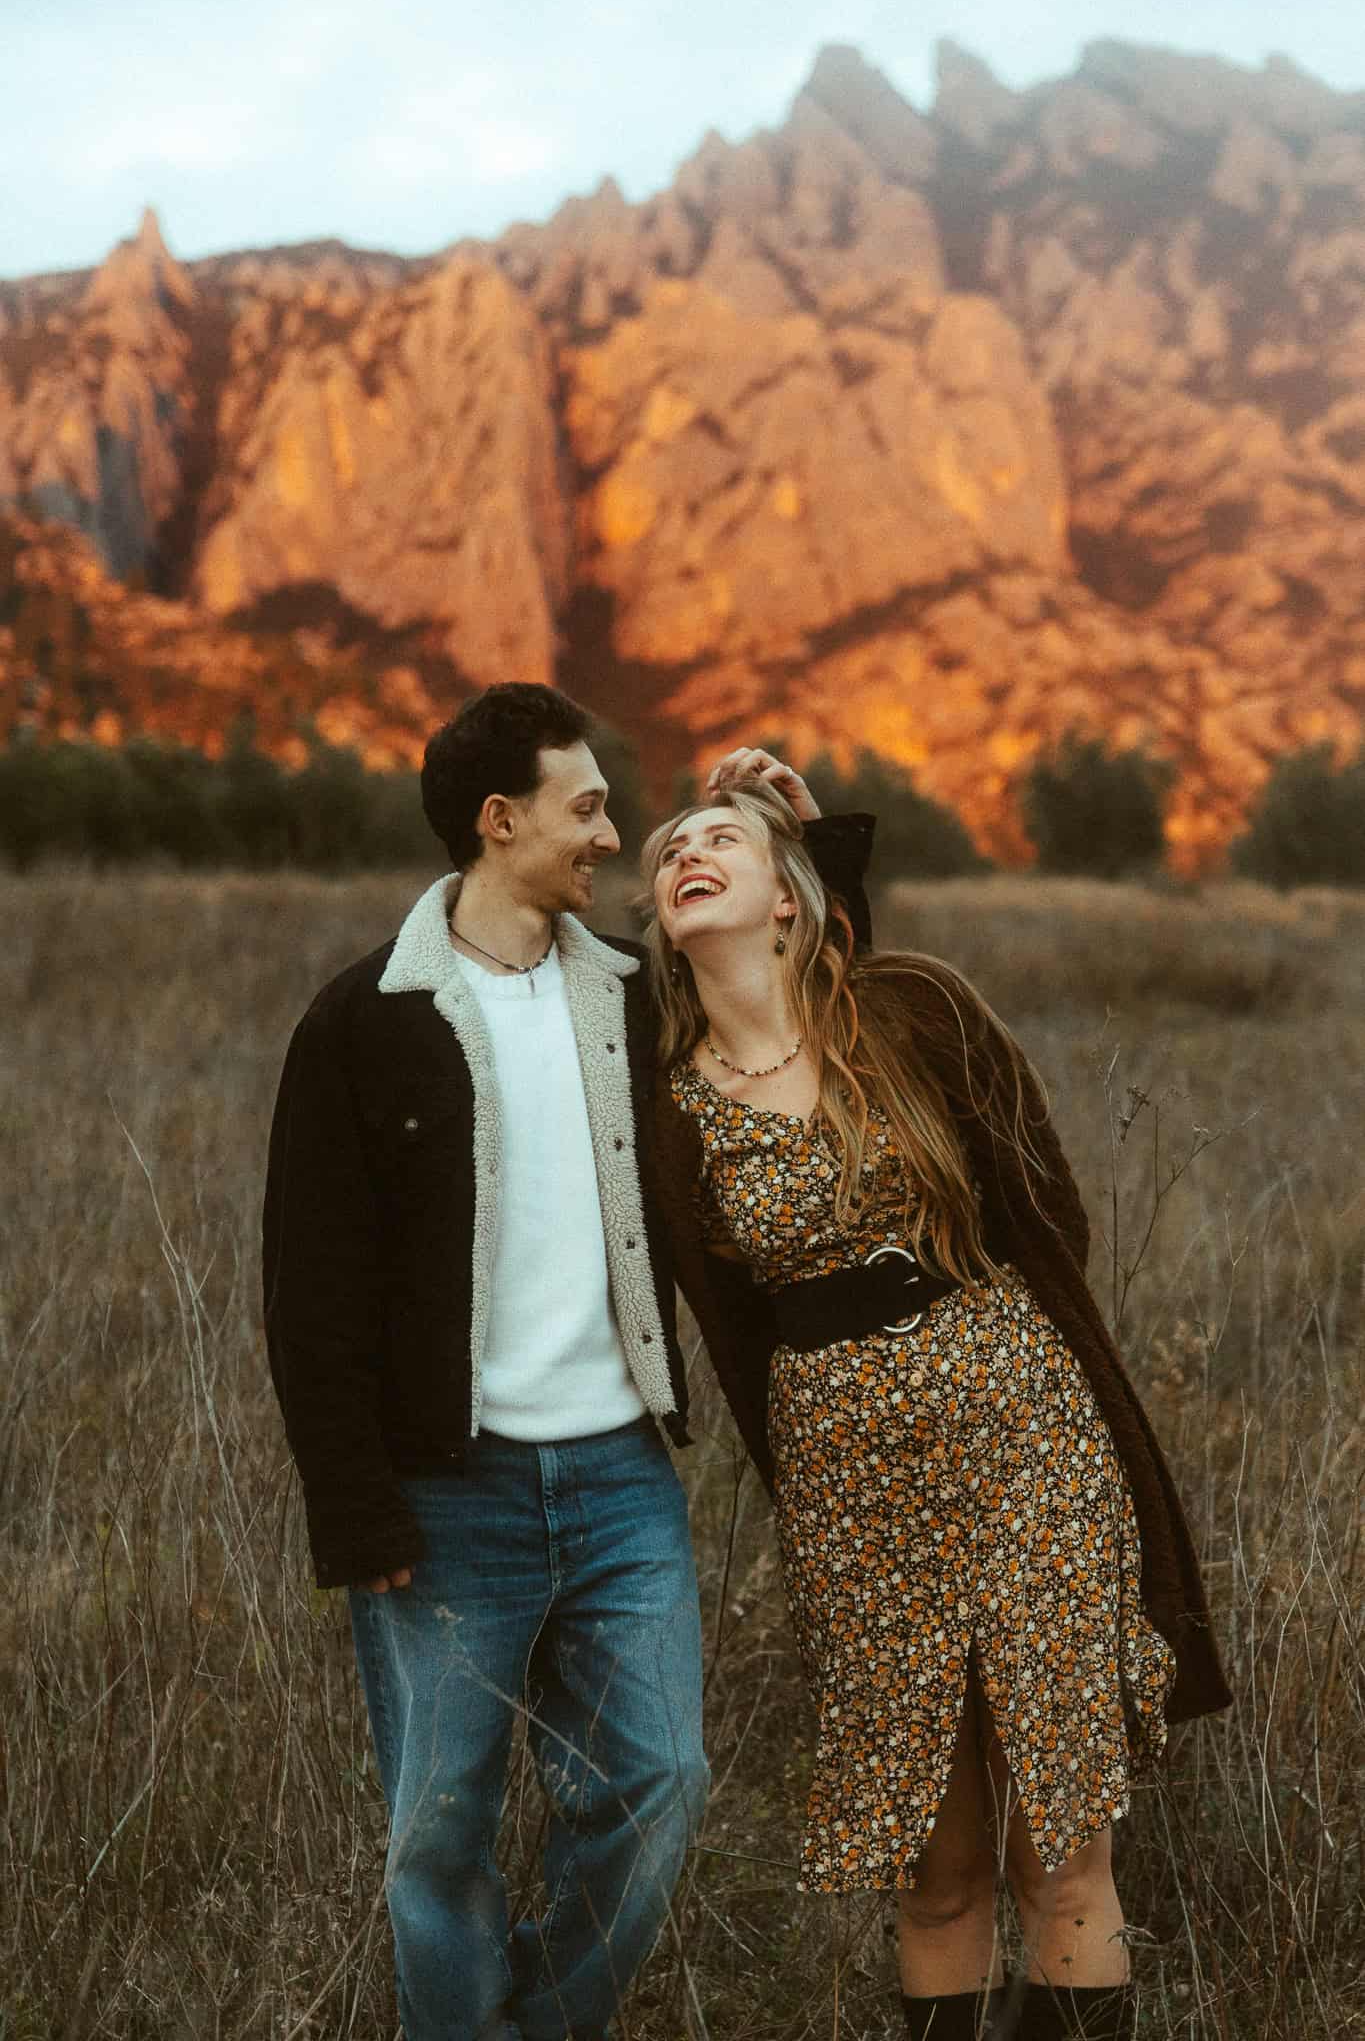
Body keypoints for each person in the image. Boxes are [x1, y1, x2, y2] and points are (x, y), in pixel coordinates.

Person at [261, 686, 872, 2041]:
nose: (611, 835)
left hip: (619, 1484)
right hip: (443, 1498)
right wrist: (355, 1503)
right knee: (437, 1837)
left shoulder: (635, 999)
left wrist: (803, 837)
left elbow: (816, 991)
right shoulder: (362, 1020)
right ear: (502, 820)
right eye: (586, 805)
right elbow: (310, 1292)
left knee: (657, 1784)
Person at [641, 780, 1232, 2041]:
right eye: (666, 850)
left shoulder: (911, 1008)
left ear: (792, 898)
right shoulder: (667, 1097)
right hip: (851, 1487)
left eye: (720, 838)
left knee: (1061, 1855)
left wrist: (781, 790)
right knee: (936, 1862)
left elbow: (1048, 1209)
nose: (687, 852)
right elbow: (733, 1330)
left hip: (1025, 1436)